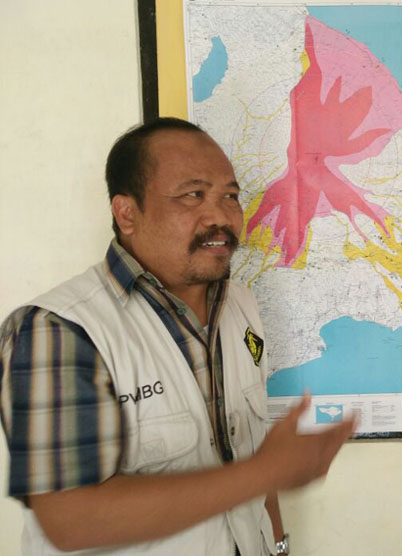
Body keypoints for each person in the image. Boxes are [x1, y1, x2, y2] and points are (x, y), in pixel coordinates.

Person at [0, 118, 355, 555]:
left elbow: (250, 449)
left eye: (230, 196)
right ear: (126, 213)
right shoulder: (59, 330)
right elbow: (70, 519)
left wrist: (278, 545)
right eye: (193, 195)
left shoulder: (241, 306)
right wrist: (267, 472)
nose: (222, 216)